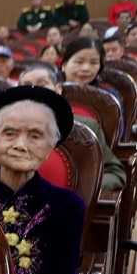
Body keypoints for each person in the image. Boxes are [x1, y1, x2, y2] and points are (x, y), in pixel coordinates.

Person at [0, 86, 84, 274]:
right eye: (10, 133)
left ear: (49, 147)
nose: (20, 145)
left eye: (35, 136)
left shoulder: (67, 206)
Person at [19, 62, 126, 190]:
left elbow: (114, 173)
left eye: (42, 84)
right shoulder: (8, 131)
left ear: (58, 89)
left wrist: (82, 190)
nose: (34, 90)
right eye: (26, 86)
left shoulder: (85, 128)